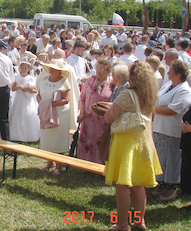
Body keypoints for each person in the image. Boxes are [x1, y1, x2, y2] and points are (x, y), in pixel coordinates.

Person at [100, 61, 161, 231]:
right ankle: (139, 221)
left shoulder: (128, 94)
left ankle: (122, 224)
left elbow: (108, 118)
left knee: (123, 185)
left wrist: (108, 110)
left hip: (126, 143)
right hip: (143, 141)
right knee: (138, 184)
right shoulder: (150, 94)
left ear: (133, 76)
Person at [152, 60, 191, 201]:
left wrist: (153, 109)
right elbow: (157, 99)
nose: (168, 72)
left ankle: (171, 187)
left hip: (172, 131)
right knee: (161, 158)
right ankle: (161, 183)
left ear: (178, 73)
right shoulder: (169, 85)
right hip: (159, 128)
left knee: (171, 159)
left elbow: (172, 109)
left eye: (171, 70)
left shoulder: (184, 89)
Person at [37, 59, 79, 175]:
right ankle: (50, 162)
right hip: (46, 114)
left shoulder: (64, 82)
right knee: (48, 138)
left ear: (60, 71)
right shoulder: (44, 81)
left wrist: (51, 104)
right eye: (51, 68)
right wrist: (43, 105)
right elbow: (39, 95)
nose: (52, 70)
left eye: (55, 68)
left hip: (60, 114)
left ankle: (58, 166)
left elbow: (66, 99)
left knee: (57, 139)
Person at [77, 60, 113, 164]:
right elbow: (82, 97)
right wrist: (82, 113)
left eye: (102, 69)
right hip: (88, 117)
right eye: (97, 68)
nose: (98, 71)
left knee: (99, 141)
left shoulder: (112, 84)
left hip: (103, 120)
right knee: (87, 140)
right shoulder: (89, 80)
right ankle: (84, 164)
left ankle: (98, 164)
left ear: (108, 71)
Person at [9, 62, 40, 142]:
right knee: (18, 114)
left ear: (28, 69)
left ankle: (29, 135)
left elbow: (35, 90)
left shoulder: (31, 78)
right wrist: (18, 87)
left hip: (27, 99)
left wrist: (25, 89)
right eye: (22, 68)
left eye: (25, 68)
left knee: (28, 113)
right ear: (20, 69)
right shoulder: (17, 77)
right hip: (19, 98)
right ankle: (16, 134)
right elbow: (13, 88)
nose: (24, 70)